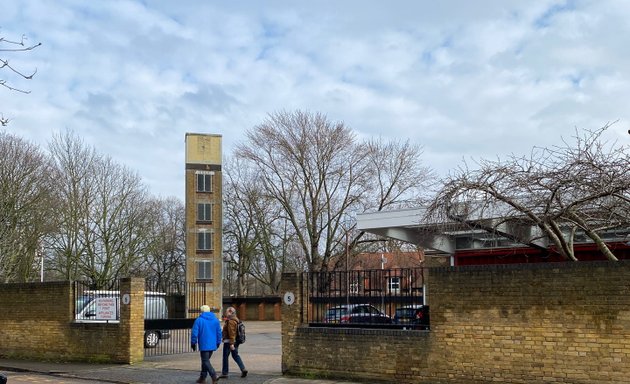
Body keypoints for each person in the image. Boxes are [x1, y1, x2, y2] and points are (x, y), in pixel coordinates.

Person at [191, 305, 223, 384]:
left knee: (205, 361)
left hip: (204, 344)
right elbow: (219, 332)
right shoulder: (215, 320)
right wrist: (218, 342)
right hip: (213, 344)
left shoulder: (199, 320)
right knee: (205, 361)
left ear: (201, 311)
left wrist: (193, 342)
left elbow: (194, 333)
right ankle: (202, 378)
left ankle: (214, 375)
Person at [219, 306, 248, 378]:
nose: (226, 312)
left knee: (225, 357)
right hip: (235, 341)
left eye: (227, 311)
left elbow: (232, 333)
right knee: (235, 355)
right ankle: (243, 369)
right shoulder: (236, 319)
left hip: (229, 342)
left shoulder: (231, 321)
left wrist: (231, 344)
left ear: (231, 312)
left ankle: (225, 373)